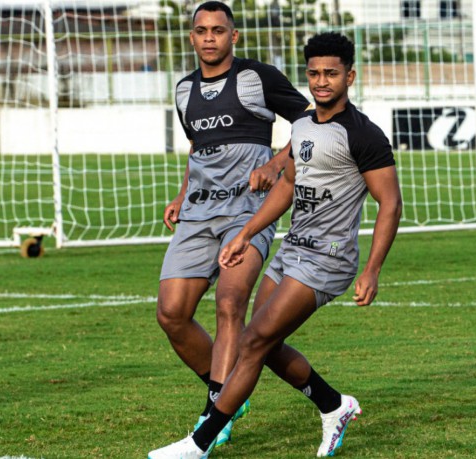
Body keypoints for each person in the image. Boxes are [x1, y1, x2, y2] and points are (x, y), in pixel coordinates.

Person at [148, 31, 402, 459]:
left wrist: (372, 269)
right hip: (292, 249)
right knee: (260, 344)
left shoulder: (363, 135)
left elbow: (390, 204)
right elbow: (286, 187)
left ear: (350, 76)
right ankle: (334, 404)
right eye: (315, 74)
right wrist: (246, 233)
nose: (322, 82)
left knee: (251, 343)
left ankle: (200, 442)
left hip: (328, 258)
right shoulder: (302, 126)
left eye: (332, 74)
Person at [155, 0, 309, 448]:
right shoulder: (184, 90)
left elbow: (311, 120)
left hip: (247, 210)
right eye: (201, 30)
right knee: (171, 313)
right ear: (192, 37)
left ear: (233, 36)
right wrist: (183, 193)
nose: (209, 38)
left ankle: (212, 419)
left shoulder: (257, 78)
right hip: (199, 212)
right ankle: (226, 392)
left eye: (218, 30)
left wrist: (280, 162)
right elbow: (198, 148)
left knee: (229, 301)